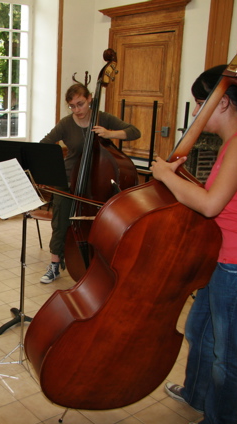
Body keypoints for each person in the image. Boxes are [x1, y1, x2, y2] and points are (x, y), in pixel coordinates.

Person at [150, 65, 237, 424]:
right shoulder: (236, 143)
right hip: (224, 261)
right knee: (198, 331)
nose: (195, 113)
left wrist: (164, 175)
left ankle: (219, 421)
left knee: (229, 355)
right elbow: (218, 199)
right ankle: (196, 394)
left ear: (221, 103)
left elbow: (210, 205)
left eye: (199, 103)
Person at [39, 82, 141, 283]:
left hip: (96, 183)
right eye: (72, 106)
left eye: (80, 104)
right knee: (60, 222)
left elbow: (134, 131)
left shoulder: (103, 118)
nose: (77, 110)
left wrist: (111, 134)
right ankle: (54, 265)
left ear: (89, 100)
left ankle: (99, 264)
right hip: (68, 180)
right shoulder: (66, 124)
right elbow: (45, 145)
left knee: (98, 223)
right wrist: (53, 169)